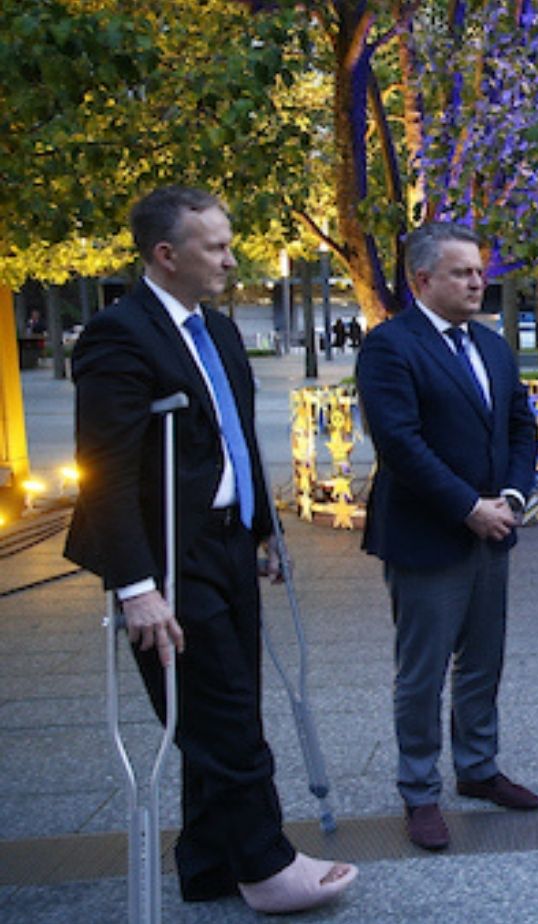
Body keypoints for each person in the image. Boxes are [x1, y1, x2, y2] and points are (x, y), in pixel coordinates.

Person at [64, 186, 356, 913]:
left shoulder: (218, 331)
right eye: (216, 247)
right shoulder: (119, 336)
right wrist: (136, 588)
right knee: (221, 715)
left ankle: (207, 862)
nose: (231, 258)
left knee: (219, 705)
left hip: (228, 546)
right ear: (166, 255)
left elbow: (233, 439)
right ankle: (264, 865)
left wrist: (262, 529)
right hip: (169, 555)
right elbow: (104, 469)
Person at [355, 221, 538, 850]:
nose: (477, 281)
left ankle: (479, 769)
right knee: (423, 672)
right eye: (463, 272)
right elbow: (401, 445)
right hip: (428, 537)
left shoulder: (491, 346)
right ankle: (419, 792)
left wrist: (511, 498)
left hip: (494, 532)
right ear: (422, 279)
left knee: (483, 662)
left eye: (479, 270)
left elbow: (521, 426)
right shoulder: (391, 347)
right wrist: (469, 507)